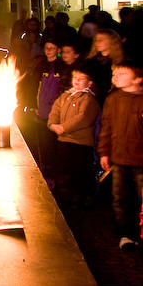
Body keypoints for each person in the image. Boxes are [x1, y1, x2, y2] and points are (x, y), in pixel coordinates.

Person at [97, 62, 143, 250]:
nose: (115, 76)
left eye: (122, 73)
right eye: (114, 73)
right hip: (119, 159)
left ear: (137, 79)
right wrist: (104, 152)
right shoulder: (113, 99)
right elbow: (106, 127)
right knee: (120, 198)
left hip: (140, 161)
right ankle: (126, 234)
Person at [48, 65, 100, 207]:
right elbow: (55, 111)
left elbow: (83, 117)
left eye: (81, 78)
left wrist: (64, 127)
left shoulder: (89, 99)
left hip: (81, 143)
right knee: (66, 169)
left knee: (80, 171)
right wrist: (53, 125)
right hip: (64, 140)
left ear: (89, 83)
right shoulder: (65, 96)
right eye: (75, 77)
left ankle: (81, 196)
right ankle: (66, 195)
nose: (77, 81)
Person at [31, 40, 71, 178]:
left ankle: (55, 171)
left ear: (58, 50)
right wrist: (33, 106)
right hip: (41, 110)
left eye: (52, 48)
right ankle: (45, 167)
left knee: (55, 141)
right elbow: (33, 86)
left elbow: (64, 89)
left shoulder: (63, 67)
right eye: (46, 48)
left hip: (57, 110)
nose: (48, 50)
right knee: (43, 140)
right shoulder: (40, 65)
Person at [85, 28, 127, 107]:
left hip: (111, 100)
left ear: (111, 41)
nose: (97, 43)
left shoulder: (121, 62)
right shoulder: (90, 61)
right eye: (96, 40)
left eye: (101, 40)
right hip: (91, 100)